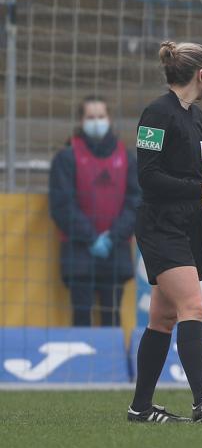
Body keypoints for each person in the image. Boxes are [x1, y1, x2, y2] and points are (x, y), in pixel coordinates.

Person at [127, 40, 202, 424]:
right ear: (201, 73)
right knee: (192, 306)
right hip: (161, 225)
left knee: (162, 318)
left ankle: (140, 408)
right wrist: (198, 189)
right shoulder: (156, 113)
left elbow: (195, 174)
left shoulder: (196, 116)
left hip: (189, 223)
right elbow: (149, 177)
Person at [49, 96, 140, 327]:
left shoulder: (126, 158)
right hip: (79, 252)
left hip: (115, 251)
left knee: (112, 316)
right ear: (81, 121)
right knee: (81, 318)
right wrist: (90, 238)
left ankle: (112, 364)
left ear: (109, 119)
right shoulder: (66, 157)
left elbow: (136, 202)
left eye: (101, 116)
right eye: (91, 117)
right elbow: (61, 205)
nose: (96, 121)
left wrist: (112, 237)